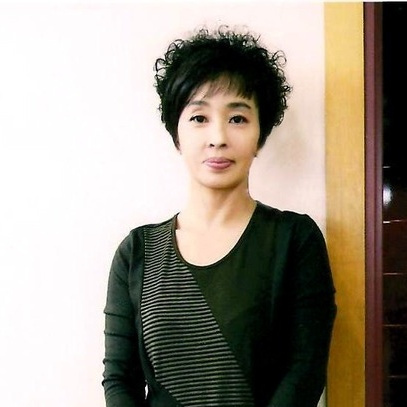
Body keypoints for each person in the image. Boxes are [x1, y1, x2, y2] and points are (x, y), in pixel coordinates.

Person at [102, 27, 336, 407]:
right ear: (176, 135)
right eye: (199, 117)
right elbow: (119, 380)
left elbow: (304, 372)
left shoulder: (294, 240)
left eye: (238, 118)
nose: (218, 137)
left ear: (260, 136)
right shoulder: (137, 253)